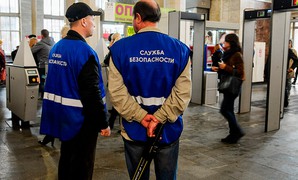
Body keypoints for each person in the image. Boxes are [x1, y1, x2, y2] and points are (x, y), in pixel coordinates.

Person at [108, 0, 191, 179]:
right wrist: (158, 119)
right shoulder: (180, 50)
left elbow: (116, 92)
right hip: (167, 131)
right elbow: (182, 94)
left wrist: (142, 118)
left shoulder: (119, 50)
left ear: (138, 17)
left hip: (134, 130)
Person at [39, 2, 111, 179]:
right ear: (84, 22)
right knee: (82, 167)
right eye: (92, 19)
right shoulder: (85, 52)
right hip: (81, 122)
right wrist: (103, 122)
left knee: (67, 161)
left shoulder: (57, 48)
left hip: (63, 118)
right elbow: (91, 93)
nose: (94, 23)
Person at [38, 25, 70, 146]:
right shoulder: (70, 48)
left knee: (53, 112)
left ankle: (50, 136)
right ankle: (52, 136)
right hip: (66, 90)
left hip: (53, 87)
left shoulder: (56, 48)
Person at [213, 33, 245, 144]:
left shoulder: (237, 54)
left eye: (226, 41)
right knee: (229, 110)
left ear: (231, 43)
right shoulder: (228, 54)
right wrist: (219, 68)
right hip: (227, 85)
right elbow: (229, 69)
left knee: (224, 110)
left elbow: (240, 72)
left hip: (233, 86)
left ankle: (237, 131)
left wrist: (225, 67)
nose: (224, 43)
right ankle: (233, 135)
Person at [102, 33, 121, 129]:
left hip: (114, 79)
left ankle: (111, 123)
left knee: (115, 102)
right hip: (124, 80)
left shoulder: (113, 50)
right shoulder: (123, 48)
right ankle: (114, 123)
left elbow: (105, 61)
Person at [31, 29, 55, 98]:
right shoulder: (53, 42)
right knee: (48, 80)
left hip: (43, 66)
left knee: (42, 80)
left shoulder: (41, 43)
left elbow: (31, 51)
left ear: (42, 35)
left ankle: (43, 96)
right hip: (51, 66)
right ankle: (47, 96)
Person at [284, 39, 298, 107]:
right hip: (284, 71)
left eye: (289, 43)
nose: (288, 45)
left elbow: (296, 60)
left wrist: (292, 68)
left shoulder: (292, 51)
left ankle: (286, 98)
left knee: (288, 84)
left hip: (289, 71)